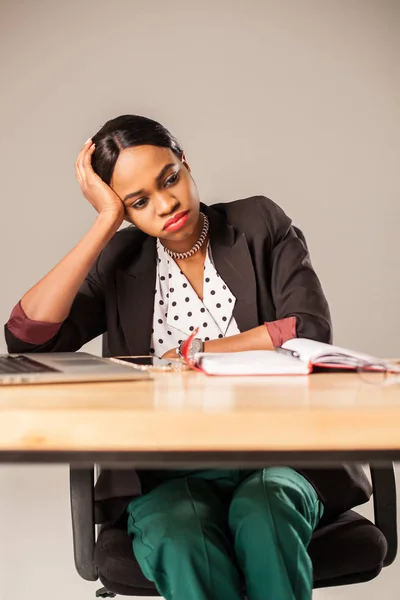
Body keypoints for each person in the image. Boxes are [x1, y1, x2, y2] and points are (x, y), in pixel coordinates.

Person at [5, 115, 371, 600]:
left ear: (185, 164)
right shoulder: (122, 260)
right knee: (181, 537)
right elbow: (29, 339)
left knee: (266, 514)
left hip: (283, 459)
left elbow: (306, 329)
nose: (166, 204)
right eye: (139, 201)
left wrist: (193, 352)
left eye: (170, 178)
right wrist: (103, 224)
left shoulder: (259, 224)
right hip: (161, 472)